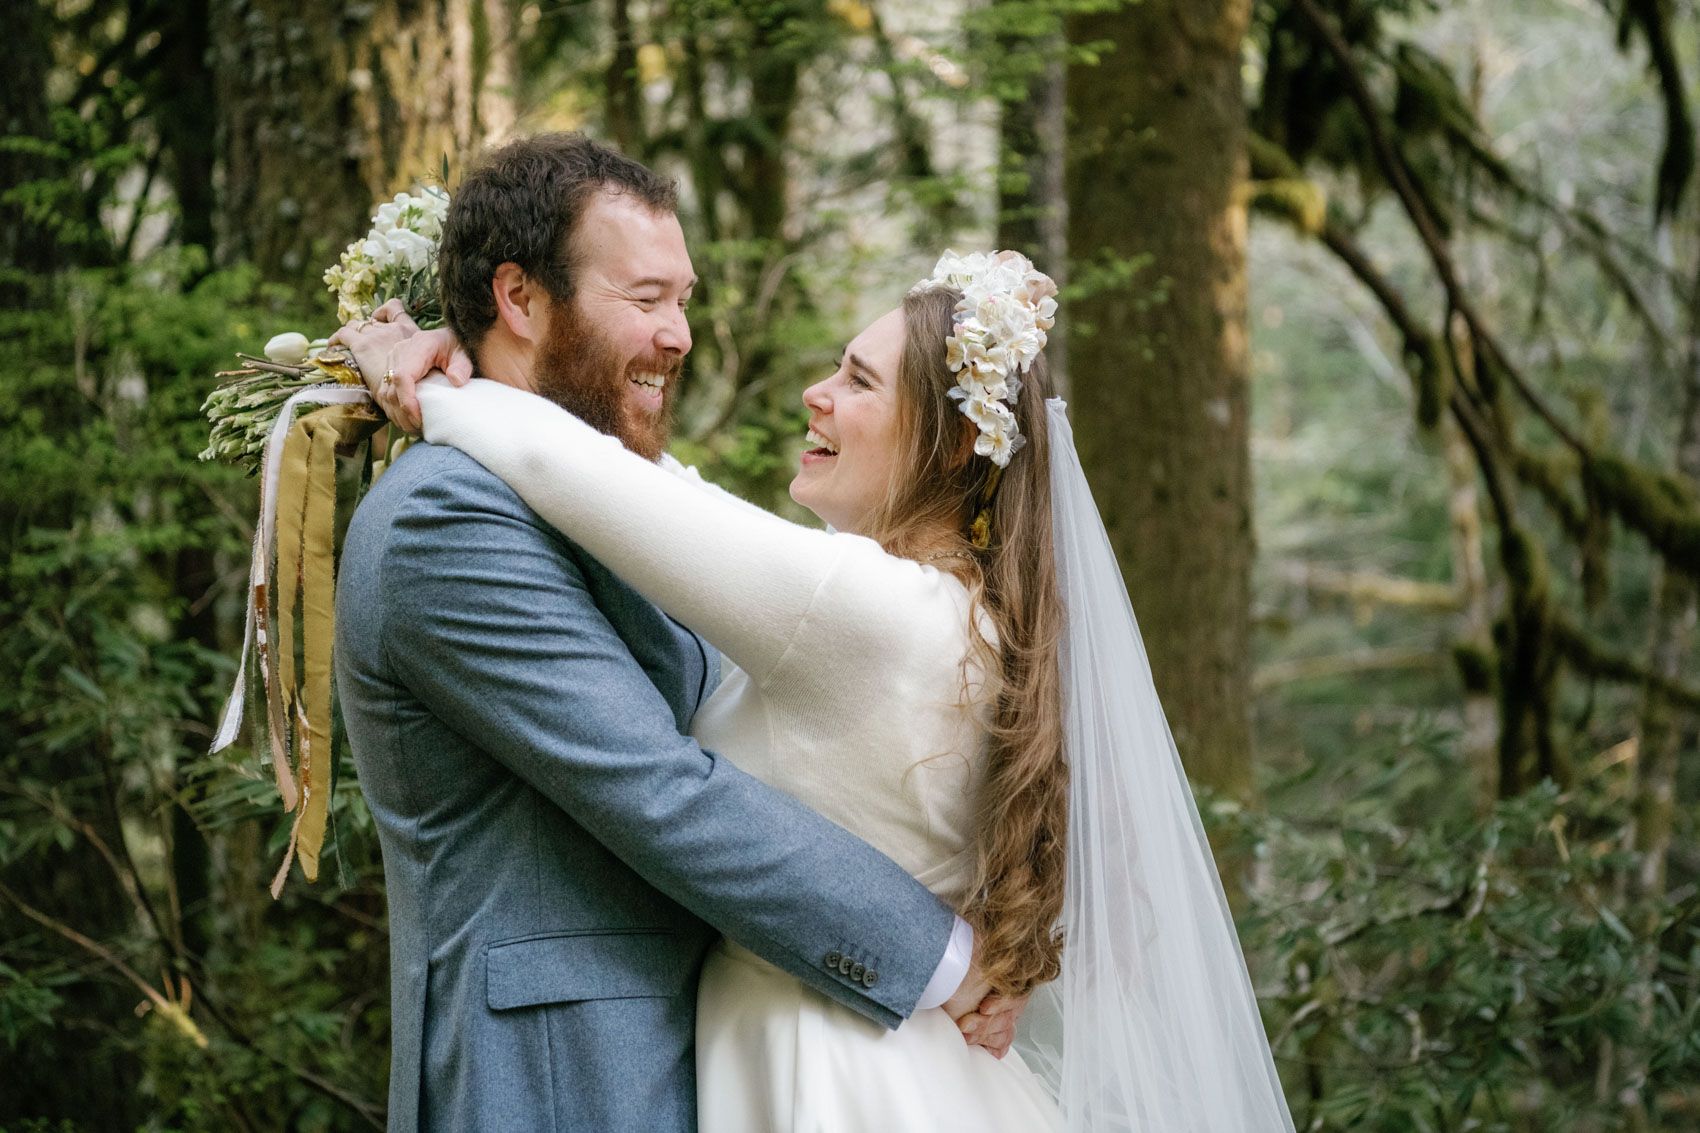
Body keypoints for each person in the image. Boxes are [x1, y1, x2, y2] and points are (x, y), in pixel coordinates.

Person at [354, 244, 1298, 1127]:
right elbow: (672, 494)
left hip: (824, 1066)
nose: (819, 392)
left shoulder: (865, 612)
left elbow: (586, 478)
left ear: (955, 443)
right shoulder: (970, 622)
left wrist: (434, 376)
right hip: (913, 1060)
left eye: (857, 380)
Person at [330, 133, 1018, 1133]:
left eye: (684, 299)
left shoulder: (605, 504)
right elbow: (655, 787)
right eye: (646, 299)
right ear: (518, 298)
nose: (681, 333)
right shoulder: (448, 515)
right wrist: (942, 959)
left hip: (711, 1054)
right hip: (555, 1074)